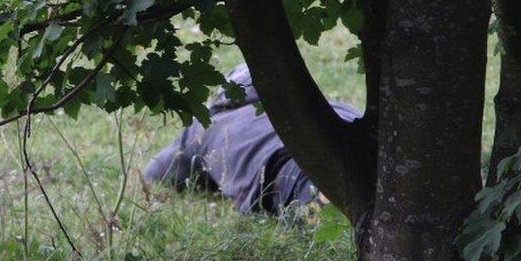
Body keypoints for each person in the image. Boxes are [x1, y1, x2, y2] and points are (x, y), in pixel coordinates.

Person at [143, 64, 361, 215]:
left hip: (296, 177)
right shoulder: (331, 105)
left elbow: (157, 174)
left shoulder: (209, 124)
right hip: (368, 156)